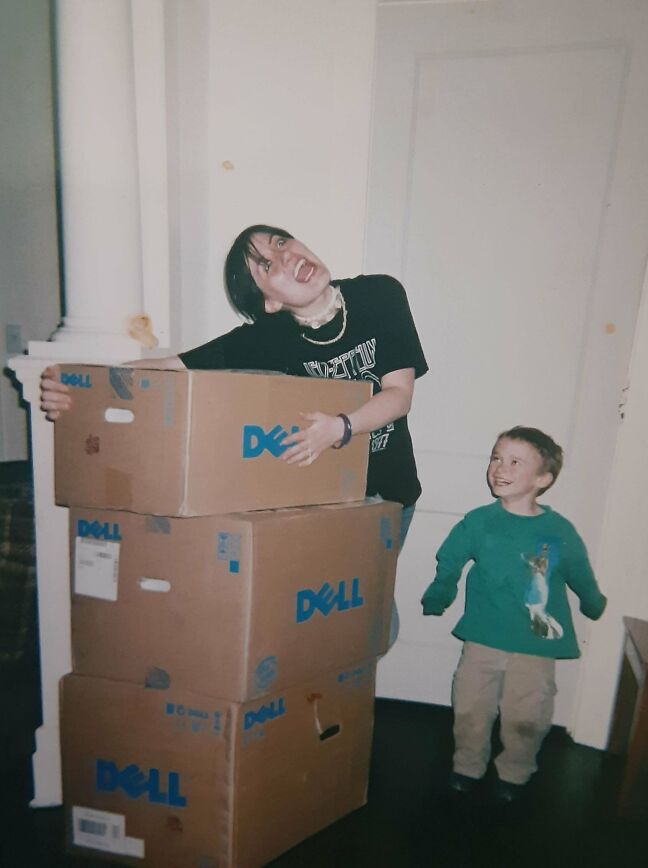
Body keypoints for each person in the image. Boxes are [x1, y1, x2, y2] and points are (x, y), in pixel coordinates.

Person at [40, 223, 428, 590]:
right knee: (328, 613)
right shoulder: (267, 338)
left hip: (389, 493)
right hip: (326, 502)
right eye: (266, 265)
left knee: (369, 609)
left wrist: (339, 427)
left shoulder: (379, 295)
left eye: (280, 242)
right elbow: (171, 366)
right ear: (269, 302)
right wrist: (77, 386)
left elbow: (398, 394)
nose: (284, 255)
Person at [421, 426, 606, 803]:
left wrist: (592, 600)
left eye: (515, 462)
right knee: (471, 706)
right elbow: (451, 558)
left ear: (543, 479)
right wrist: (441, 592)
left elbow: (579, 571)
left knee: (527, 715)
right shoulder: (478, 522)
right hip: (483, 635)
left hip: (535, 641)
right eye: (496, 457)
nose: (500, 468)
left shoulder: (557, 530)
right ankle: (467, 764)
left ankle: (516, 770)